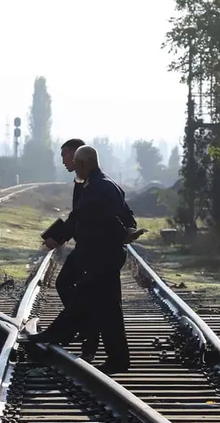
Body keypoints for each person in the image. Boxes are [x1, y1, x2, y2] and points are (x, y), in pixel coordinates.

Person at [32, 145, 145, 374]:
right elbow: (124, 215)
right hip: (108, 253)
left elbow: (94, 218)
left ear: (83, 164)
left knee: (83, 298)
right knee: (109, 308)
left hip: (101, 254)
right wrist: (128, 230)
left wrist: (124, 232)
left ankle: (56, 336)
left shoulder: (95, 189)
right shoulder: (109, 185)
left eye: (77, 163)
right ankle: (118, 359)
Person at [53, 138, 97, 359]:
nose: (63, 161)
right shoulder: (82, 181)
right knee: (72, 286)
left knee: (65, 283)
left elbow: (78, 216)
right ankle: (82, 327)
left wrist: (58, 237)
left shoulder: (90, 183)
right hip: (86, 245)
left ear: (77, 157)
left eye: (65, 156)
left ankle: (82, 325)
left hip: (91, 247)